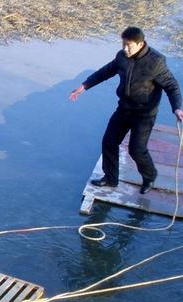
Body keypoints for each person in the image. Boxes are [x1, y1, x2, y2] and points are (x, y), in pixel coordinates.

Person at [70, 26, 183, 194]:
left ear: (140, 44)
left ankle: (149, 176)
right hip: (124, 108)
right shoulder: (122, 57)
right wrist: (85, 85)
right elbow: (106, 71)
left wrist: (177, 108)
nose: (125, 48)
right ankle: (110, 178)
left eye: (128, 45)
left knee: (136, 150)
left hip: (144, 114)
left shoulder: (156, 62)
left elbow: (171, 86)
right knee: (109, 142)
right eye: (123, 44)